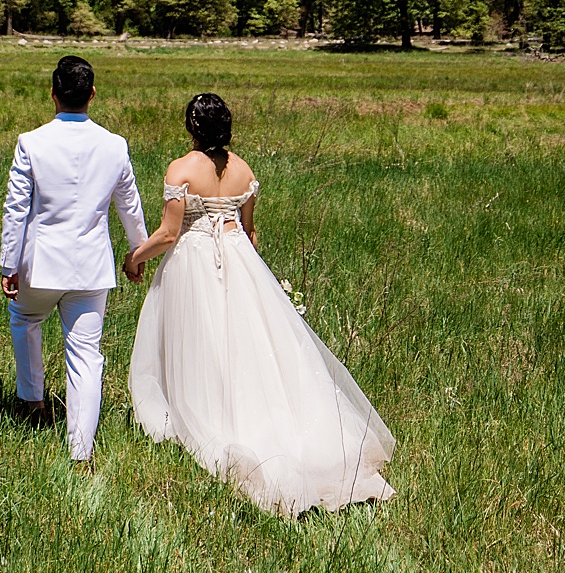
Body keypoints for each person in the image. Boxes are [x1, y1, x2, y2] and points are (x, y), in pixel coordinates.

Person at [125, 93, 396, 515]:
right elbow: (250, 231)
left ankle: (199, 413)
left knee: (199, 343)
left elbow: (168, 233)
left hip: (195, 263)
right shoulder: (244, 169)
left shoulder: (181, 169)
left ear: (191, 127)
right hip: (240, 262)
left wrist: (134, 258)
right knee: (248, 345)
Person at [0, 54, 147, 464]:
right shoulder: (114, 145)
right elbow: (129, 205)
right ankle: (81, 451)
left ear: (53, 94)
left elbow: (16, 208)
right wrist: (138, 252)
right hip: (91, 267)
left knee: (26, 320)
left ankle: (32, 402)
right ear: (92, 95)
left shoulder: (32, 141)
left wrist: (9, 264)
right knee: (86, 354)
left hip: (40, 264)